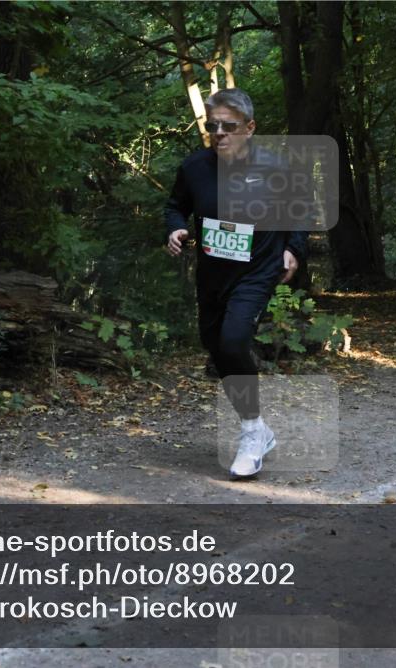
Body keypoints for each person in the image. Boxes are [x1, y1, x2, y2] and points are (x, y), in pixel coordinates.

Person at [163, 88, 309, 479]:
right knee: (216, 347)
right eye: (212, 127)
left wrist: (293, 249)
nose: (219, 134)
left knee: (232, 342)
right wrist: (175, 229)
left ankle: (251, 433)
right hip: (213, 273)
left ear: (250, 127)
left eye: (228, 127)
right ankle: (258, 428)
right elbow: (176, 206)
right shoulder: (195, 167)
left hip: (257, 270)